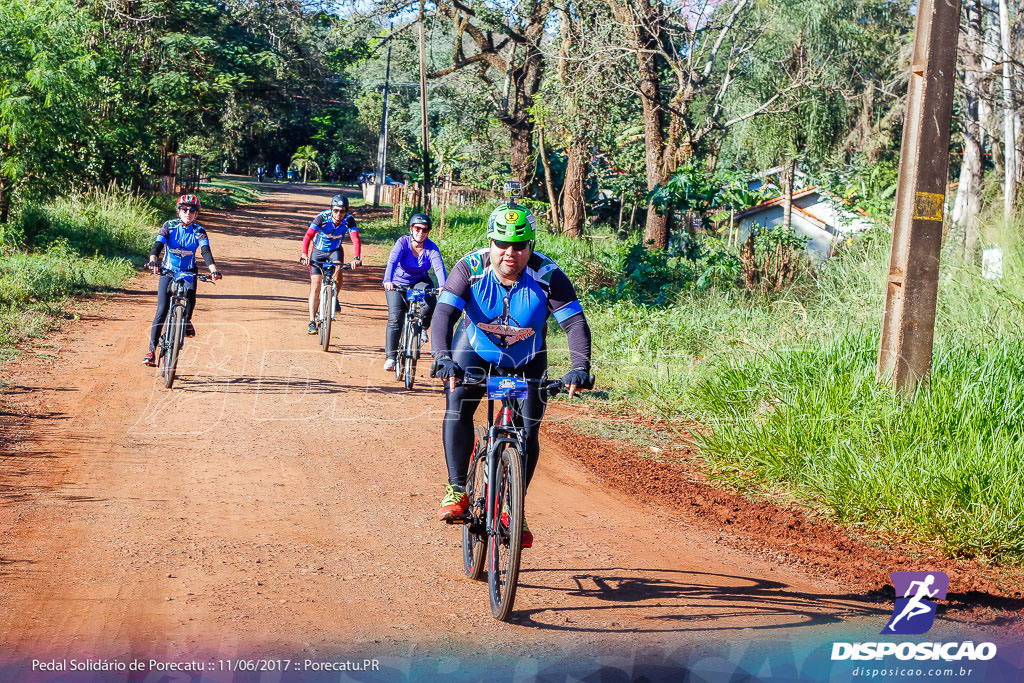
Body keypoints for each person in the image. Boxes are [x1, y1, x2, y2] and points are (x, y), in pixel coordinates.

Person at [430, 203, 593, 548]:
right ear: (490, 242)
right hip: (475, 351)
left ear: (530, 246)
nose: (510, 253)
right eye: (502, 243)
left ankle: (511, 505)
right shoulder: (471, 268)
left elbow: (575, 323)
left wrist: (580, 368)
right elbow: (443, 313)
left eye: (519, 245)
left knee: (528, 431)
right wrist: (443, 358)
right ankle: (457, 488)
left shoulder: (548, 275)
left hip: (528, 360)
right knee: (458, 403)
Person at [143, 194, 222, 366]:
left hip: (188, 271)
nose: (188, 213)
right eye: (184, 209)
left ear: (196, 214)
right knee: (162, 310)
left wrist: (213, 270)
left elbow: (206, 251)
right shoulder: (169, 226)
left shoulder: (199, 231)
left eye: (192, 210)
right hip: (168, 270)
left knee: (191, 298)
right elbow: (157, 246)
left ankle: (185, 321)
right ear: (179, 211)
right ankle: (151, 350)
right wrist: (153, 260)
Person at [382, 213, 447, 372]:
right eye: (417, 228)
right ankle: (390, 357)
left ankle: (423, 326)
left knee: (431, 300)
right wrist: (387, 280)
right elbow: (392, 261)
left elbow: (439, 268)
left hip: (419, 282)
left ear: (428, 232)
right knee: (395, 319)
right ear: (412, 229)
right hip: (397, 283)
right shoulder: (402, 243)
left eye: (424, 230)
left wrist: (443, 286)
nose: (421, 232)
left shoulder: (431, 248)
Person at [299, 193, 361, 334]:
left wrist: (357, 257)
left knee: (338, 271)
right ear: (331, 209)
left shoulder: (349, 220)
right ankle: (311, 321)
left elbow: (355, 239)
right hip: (318, 251)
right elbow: (308, 236)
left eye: (342, 211)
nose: (339, 214)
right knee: (315, 284)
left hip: (335, 251)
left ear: (346, 211)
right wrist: (304, 255)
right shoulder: (322, 217)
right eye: (335, 210)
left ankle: (335, 297)